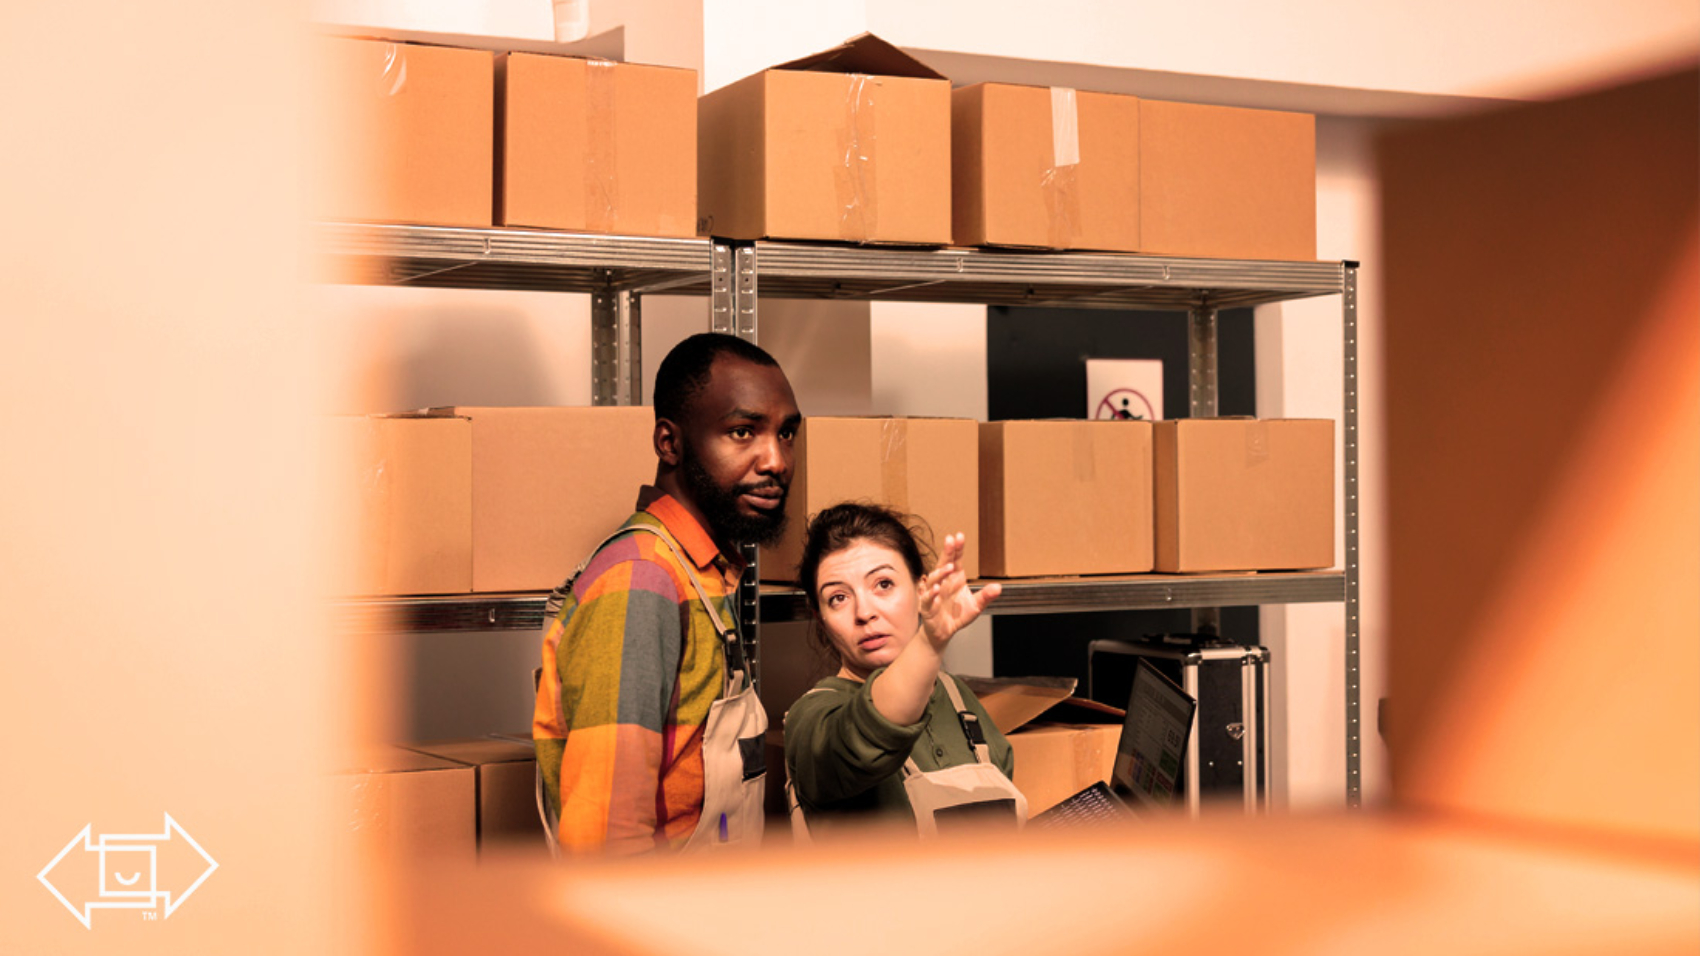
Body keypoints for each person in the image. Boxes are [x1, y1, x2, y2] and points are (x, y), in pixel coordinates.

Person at [533, 333, 801, 855]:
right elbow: (607, 842)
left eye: (786, 433)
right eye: (743, 432)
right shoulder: (641, 582)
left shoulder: (702, 570)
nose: (776, 461)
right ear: (669, 443)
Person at [783, 502, 1026, 839]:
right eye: (838, 598)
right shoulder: (812, 717)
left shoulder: (959, 699)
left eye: (883, 584)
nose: (864, 612)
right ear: (819, 619)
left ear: (922, 589)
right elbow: (869, 733)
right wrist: (930, 640)